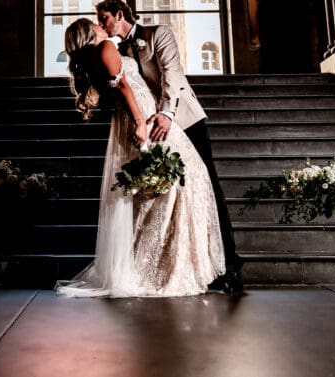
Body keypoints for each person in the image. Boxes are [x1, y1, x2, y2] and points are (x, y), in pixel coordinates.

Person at [56, 18, 225, 298]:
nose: (101, 26)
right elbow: (124, 88)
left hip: (138, 118)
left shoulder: (94, 58)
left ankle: (164, 261)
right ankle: (166, 265)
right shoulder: (105, 48)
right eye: (95, 24)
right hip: (144, 116)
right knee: (189, 174)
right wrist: (140, 122)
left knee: (169, 188)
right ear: (89, 33)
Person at [96, 0, 243, 295]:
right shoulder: (115, 50)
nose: (101, 25)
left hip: (183, 120)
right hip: (151, 129)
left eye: (104, 18)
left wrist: (166, 113)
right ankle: (185, 263)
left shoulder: (158, 33)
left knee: (207, 187)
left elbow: (172, 74)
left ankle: (229, 266)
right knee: (170, 196)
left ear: (120, 14)